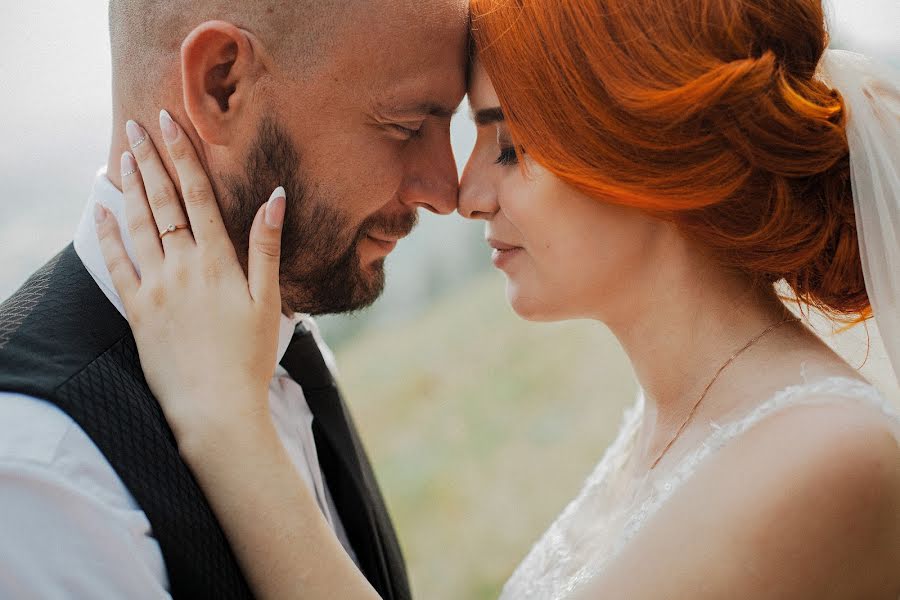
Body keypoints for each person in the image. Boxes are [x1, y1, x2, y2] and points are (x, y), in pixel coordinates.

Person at [96, 0, 900, 598]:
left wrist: (228, 427)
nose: (467, 193)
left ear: (646, 151)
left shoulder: (829, 457)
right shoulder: (669, 422)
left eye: (508, 144)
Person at [0, 0, 466, 598]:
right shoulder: (40, 480)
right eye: (403, 126)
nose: (445, 191)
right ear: (222, 84)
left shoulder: (278, 311)